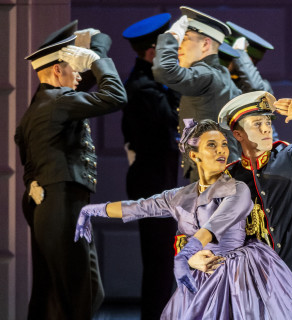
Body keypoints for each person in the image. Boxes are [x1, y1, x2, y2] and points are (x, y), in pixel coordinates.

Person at [74, 119, 292, 320]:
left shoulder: (238, 189)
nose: (221, 150)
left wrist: (185, 255)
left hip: (237, 272)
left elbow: (215, 226)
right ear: (194, 154)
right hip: (201, 271)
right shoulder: (180, 196)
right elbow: (137, 207)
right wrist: (91, 211)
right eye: (212, 145)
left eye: (223, 144)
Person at [188, 91, 292, 319]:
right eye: (257, 123)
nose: (266, 128)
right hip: (251, 282)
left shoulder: (291, 159)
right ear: (238, 134)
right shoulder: (227, 179)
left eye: (268, 121)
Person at [14, 24, 127, 319]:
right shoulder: (59, 102)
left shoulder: (42, 104)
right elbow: (116, 96)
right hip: (63, 206)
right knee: (81, 294)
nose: (80, 76)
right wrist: (94, 61)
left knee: (55, 295)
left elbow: (29, 161)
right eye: (74, 69)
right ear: (56, 71)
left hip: (47, 206)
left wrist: (95, 44)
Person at [121, 13, 180, 319]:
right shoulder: (144, 86)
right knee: (160, 259)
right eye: (169, 46)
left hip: (160, 176)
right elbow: (172, 119)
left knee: (163, 258)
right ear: (153, 51)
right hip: (153, 178)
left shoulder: (152, 82)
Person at [152, 6, 244, 182]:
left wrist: (170, 38)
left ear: (205, 44)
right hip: (219, 173)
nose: (178, 47)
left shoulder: (206, 74)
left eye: (184, 39)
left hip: (211, 175)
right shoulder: (221, 75)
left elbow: (165, 70)